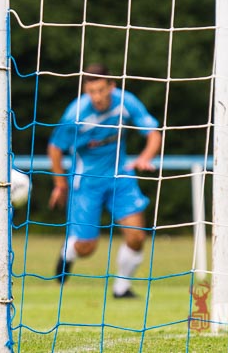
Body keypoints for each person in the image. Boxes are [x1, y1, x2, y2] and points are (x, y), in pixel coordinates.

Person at [48, 63, 161, 299]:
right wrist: (60, 184)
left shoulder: (125, 102)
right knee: (87, 247)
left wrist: (145, 158)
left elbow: (153, 134)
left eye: (101, 90)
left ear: (112, 86)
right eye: (92, 92)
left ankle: (121, 288)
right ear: (85, 91)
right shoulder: (76, 113)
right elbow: (55, 148)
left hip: (120, 177)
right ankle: (68, 251)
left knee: (136, 236)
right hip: (86, 182)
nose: (97, 97)